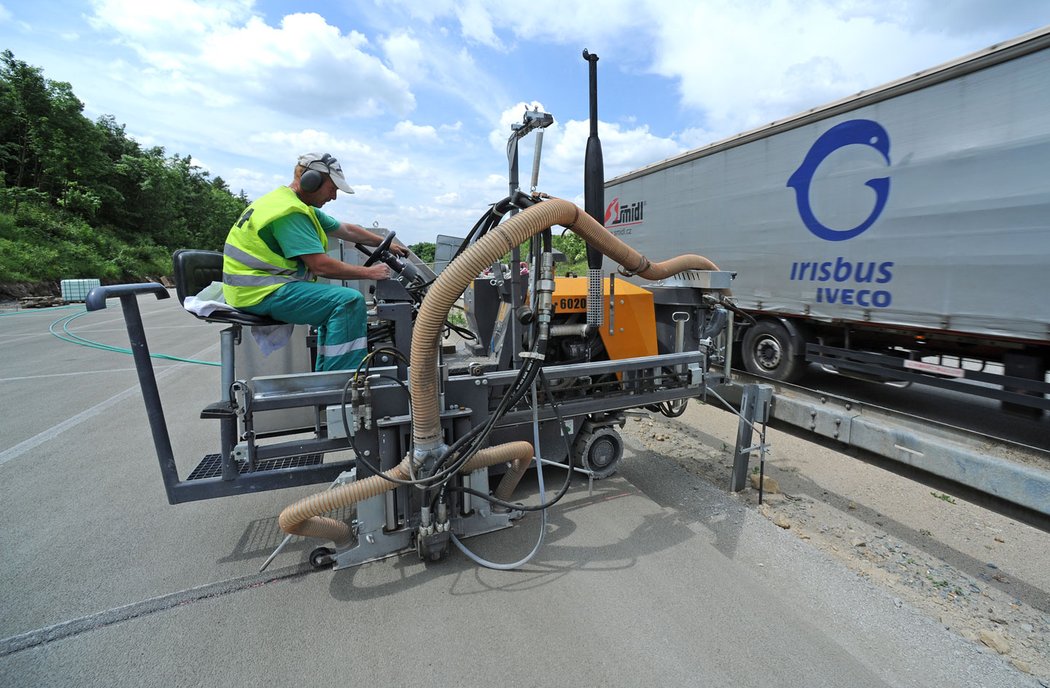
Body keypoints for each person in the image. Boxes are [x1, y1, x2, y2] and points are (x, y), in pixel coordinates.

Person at [222, 152, 408, 371]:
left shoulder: (294, 204)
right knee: (347, 302)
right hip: (260, 291)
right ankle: (344, 381)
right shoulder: (290, 212)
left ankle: (326, 376)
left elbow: (347, 230)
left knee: (333, 307)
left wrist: (387, 244)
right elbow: (320, 266)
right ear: (312, 181)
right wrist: (370, 273)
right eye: (332, 189)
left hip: (254, 289)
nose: (334, 197)